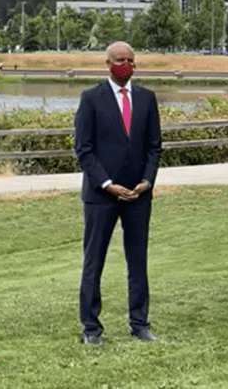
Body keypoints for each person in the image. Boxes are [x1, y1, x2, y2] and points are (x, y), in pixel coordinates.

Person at [74, 41, 162, 345]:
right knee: (93, 260)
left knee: (137, 261)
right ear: (108, 63)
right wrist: (107, 184)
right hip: (102, 196)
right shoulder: (90, 99)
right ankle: (91, 328)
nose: (125, 65)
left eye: (130, 60)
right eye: (119, 60)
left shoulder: (147, 98)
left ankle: (140, 324)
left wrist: (147, 181)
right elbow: (83, 150)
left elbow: (154, 146)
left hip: (138, 195)